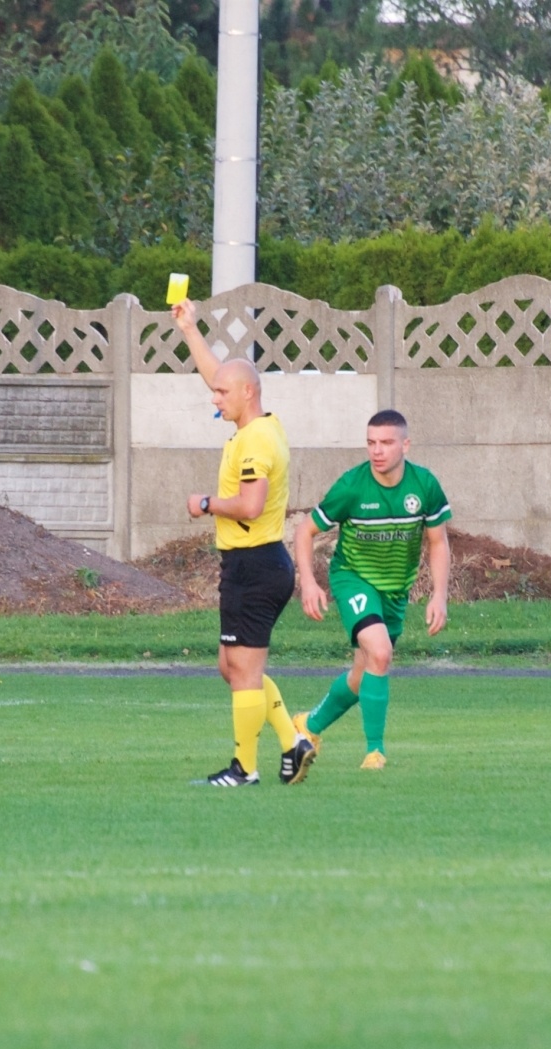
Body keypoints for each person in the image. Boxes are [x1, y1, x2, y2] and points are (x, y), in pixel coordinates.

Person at [170, 298, 317, 787]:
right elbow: (222, 374)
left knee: (244, 671)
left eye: (222, 394)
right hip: (252, 564)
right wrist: (190, 329)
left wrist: (206, 503)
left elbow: (251, 505)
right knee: (232, 667)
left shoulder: (254, 442)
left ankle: (244, 769)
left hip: (255, 564)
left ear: (247, 393)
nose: (214, 399)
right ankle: (293, 742)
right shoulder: (259, 422)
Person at [292, 410, 451, 770]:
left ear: (405, 444)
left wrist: (439, 594)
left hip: (395, 592)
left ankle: (308, 725)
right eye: (371, 443)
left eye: (386, 442)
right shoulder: (352, 486)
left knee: (363, 673)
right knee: (380, 653)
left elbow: (438, 542)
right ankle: (374, 752)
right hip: (353, 578)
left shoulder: (424, 485)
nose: (377, 451)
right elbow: (305, 531)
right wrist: (309, 583)